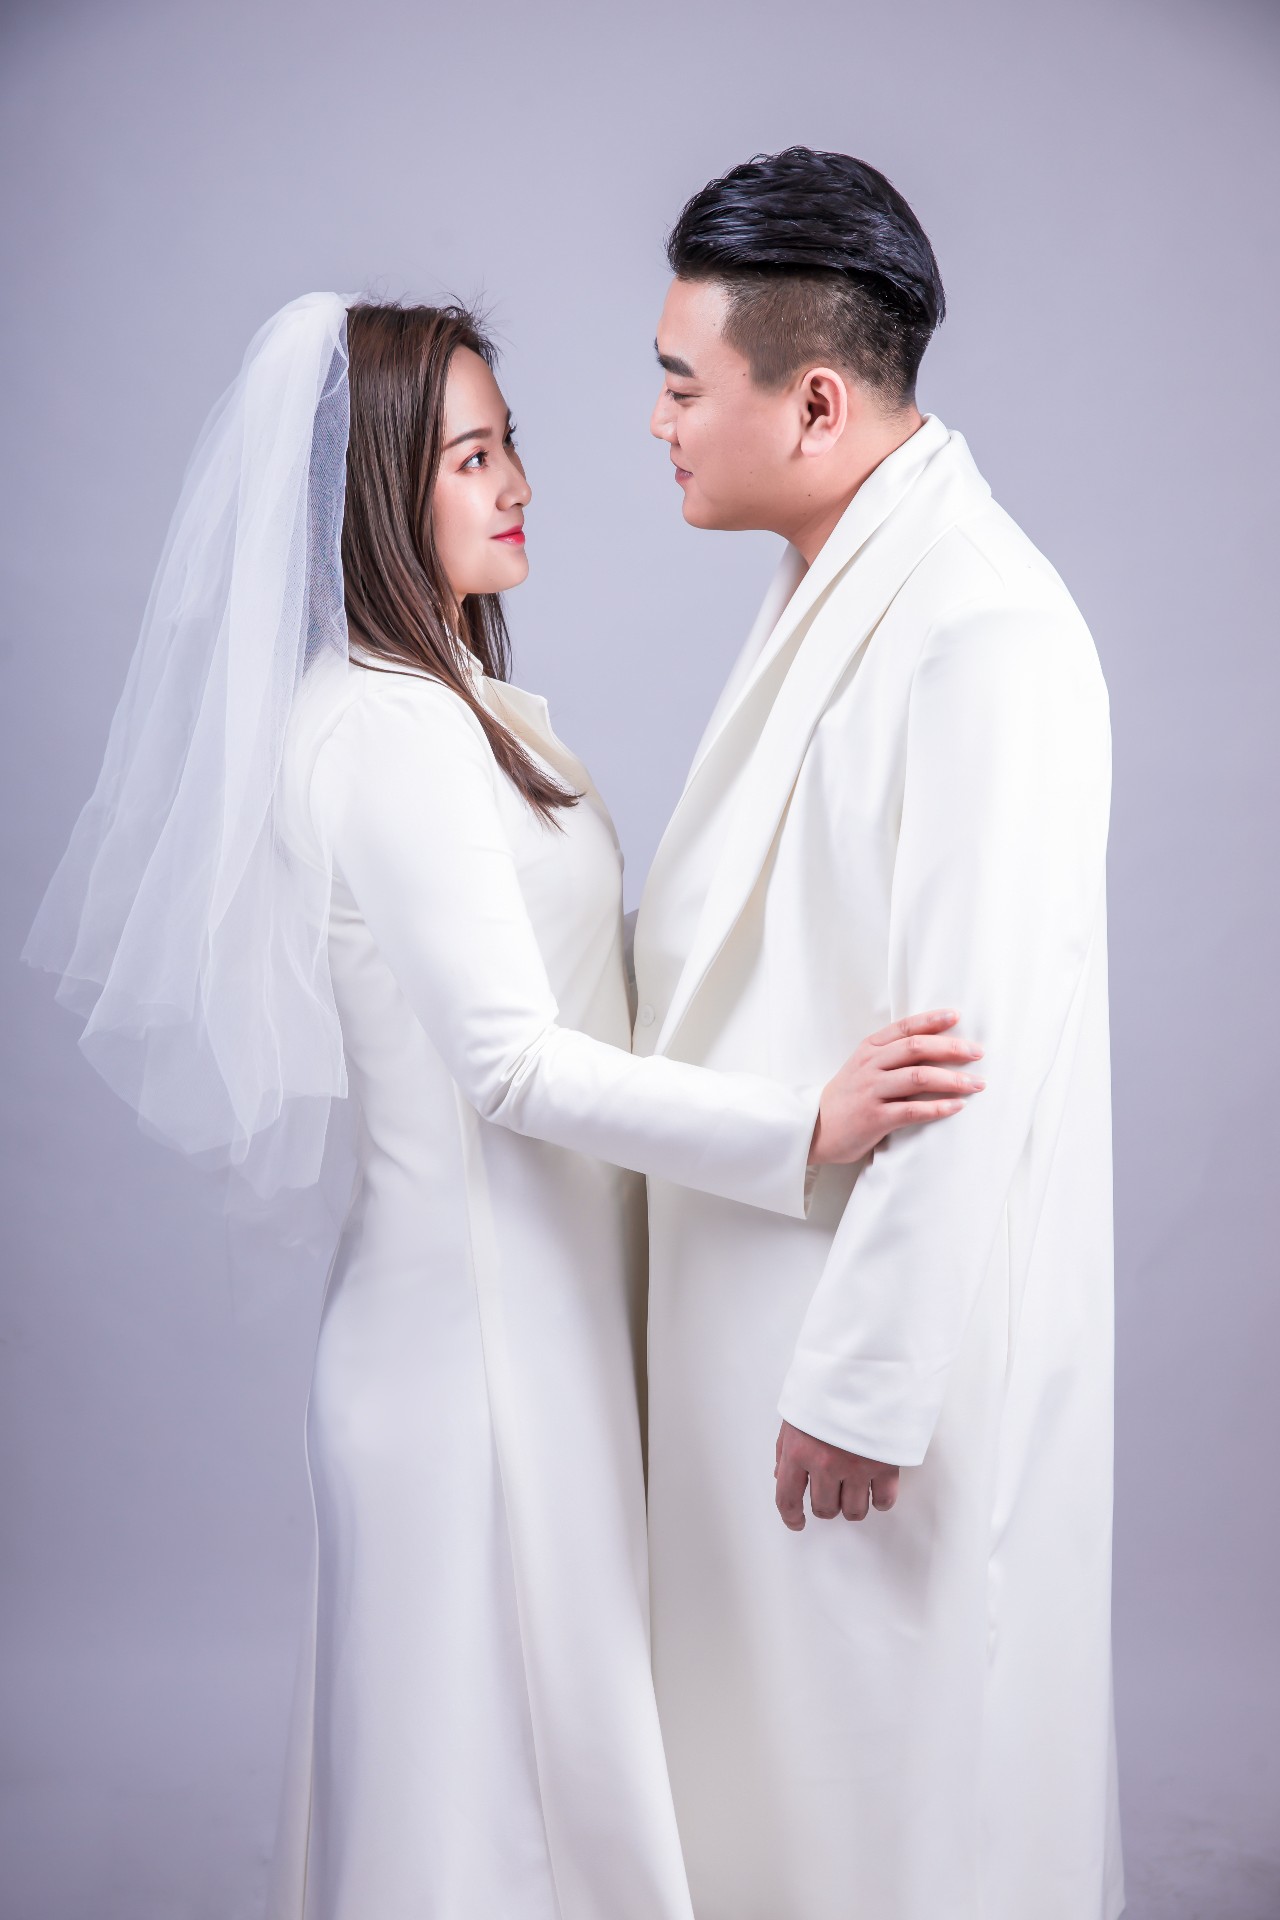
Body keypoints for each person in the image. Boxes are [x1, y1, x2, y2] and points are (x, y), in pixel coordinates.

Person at [23, 292, 984, 1920]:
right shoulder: (383, 732)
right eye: (471, 457)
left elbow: (592, 966)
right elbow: (514, 1065)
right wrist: (800, 1126)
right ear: (376, 494)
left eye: (509, 441)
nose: (521, 480)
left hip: (535, 1324)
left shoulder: (452, 702)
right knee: (478, 1811)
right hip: (462, 1355)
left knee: (540, 1788)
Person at [637, 147, 1122, 1920]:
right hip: (764, 1309)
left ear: (816, 402)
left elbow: (966, 1050)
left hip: (862, 1360)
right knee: (793, 1799)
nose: (657, 422)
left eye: (682, 382)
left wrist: (867, 1381)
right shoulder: (844, 574)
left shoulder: (981, 628)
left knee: (901, 1798)